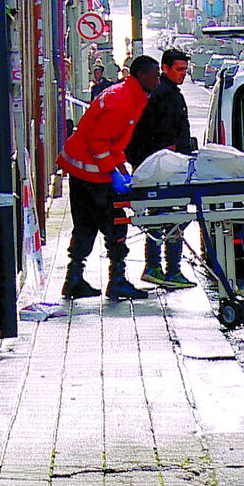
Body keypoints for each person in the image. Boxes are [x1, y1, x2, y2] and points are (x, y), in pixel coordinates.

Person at [57, 55, 162, 301]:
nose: (158, 80)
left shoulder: (127, 94)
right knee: (115, 222)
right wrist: (113, 173)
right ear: (141, 75)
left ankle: (74, 279)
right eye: (154, 75)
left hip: (83, 167)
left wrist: (121, 169)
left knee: (85, 224)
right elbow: (99, 142)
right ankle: (116, 280)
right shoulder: (123, 100)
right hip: (92, 171)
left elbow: (112, 141)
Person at [125, 48, 197, 289]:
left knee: (166, 216)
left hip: (165, 165)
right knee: (169, 215)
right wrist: (170, 151)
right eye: (179, 70)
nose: (183, 74)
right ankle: (166, 269)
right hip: (163, 168)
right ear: (165, 69)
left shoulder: (168, 93)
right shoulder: (163, 95)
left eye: (185, 70)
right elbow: (157, 133)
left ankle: (160, 267)